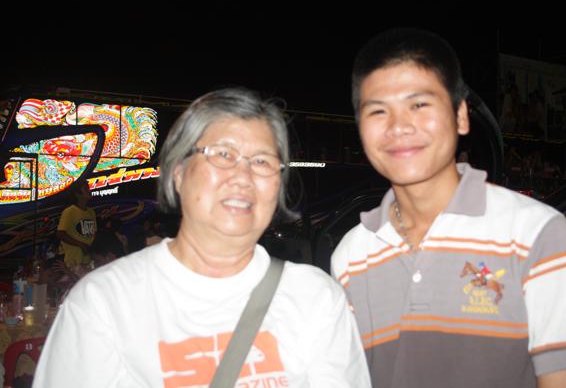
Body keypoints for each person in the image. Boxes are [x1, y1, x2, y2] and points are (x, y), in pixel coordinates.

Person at [34, 87, 371, 387]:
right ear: (178, 174)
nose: (243, 176)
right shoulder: (104, 303)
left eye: (263, 161)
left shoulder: (317, 299)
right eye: (222, 155)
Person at [330, 28, 566, 388]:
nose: (398, 127)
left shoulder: (537, 234)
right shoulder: (351, 255)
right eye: (378, 111)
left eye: (419, 105)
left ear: (460, 115)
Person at [56, 181, 96, 270]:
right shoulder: (69, 211)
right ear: (78, 194)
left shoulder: (91, 212)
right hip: (73, 262)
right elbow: (60, 234)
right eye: (86, 189)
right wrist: (81, 245)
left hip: (89, 260)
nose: (89, 191)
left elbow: (93, 234)